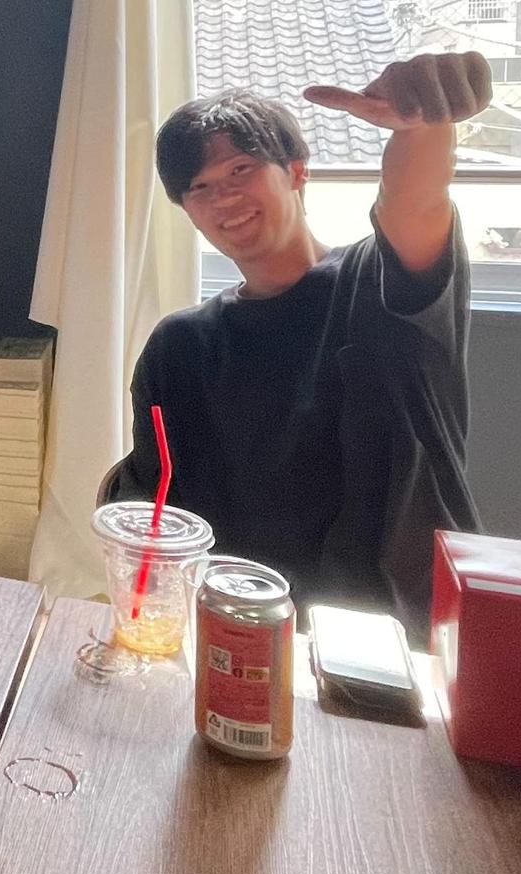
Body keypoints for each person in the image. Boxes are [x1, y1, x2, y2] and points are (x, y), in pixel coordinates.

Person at [104, 51, 493, 637]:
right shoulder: (179, 347)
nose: (223, 198)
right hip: (241, 629)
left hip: (400, 635)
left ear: (296, 171)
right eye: (199, 187)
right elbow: (153, 507)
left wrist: (423, 127)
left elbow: (414, 201)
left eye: (240, 170)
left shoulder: (380, 284)